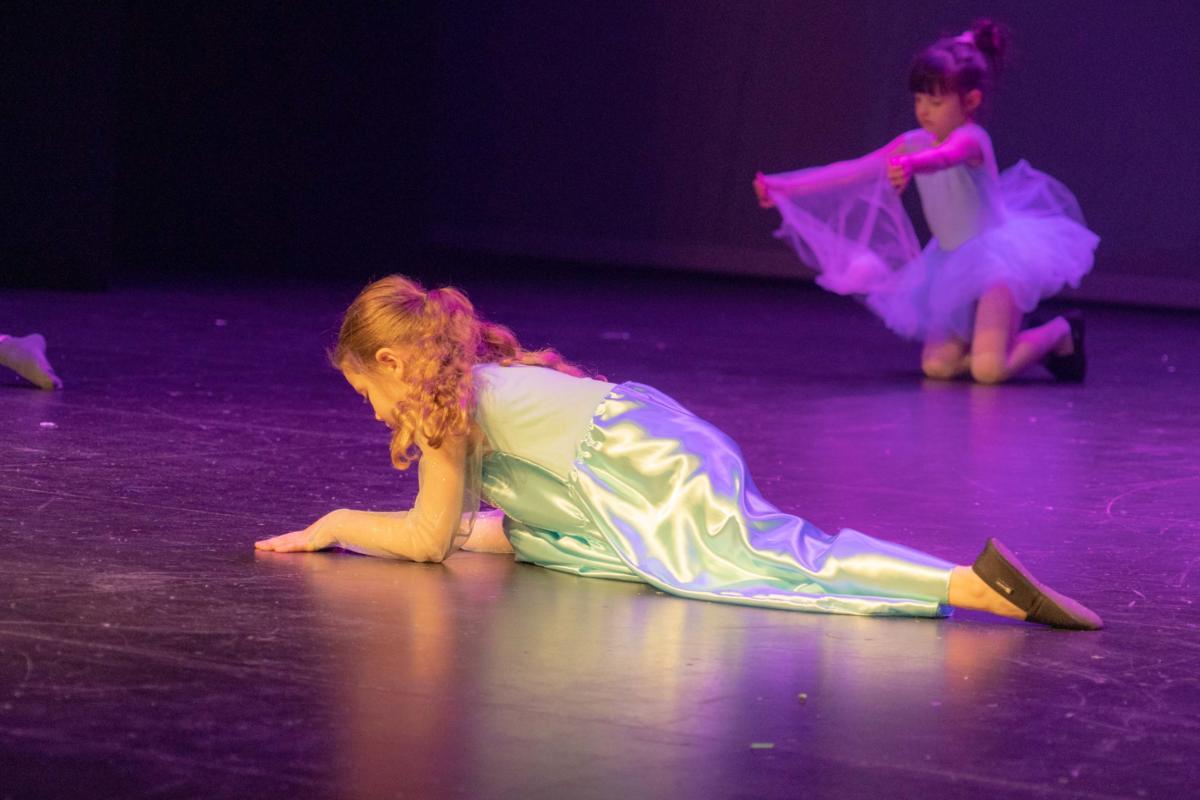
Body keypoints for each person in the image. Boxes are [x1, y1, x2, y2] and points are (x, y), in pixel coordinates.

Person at [254, 275, 1101, 630]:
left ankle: (966, 584)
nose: (373, 411)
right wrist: (478, 533)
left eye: (366, 390)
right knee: (535, 537)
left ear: (393, 362)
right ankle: (961, 585)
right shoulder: (474, 383)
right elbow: (494, 522)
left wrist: (336, 523)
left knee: (765, 558)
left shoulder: (448, 411)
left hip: (651, 467)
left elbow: (427, 538)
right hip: (642, 450)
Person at [753, 20, 1098, 384]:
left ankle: (1061, 331)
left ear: (970, 102)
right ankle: (994, 339)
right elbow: (852, 172)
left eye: (935, 101)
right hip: (951, 263)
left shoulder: (971, 139)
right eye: (919, 100)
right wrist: (783, 187)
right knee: (938, 368)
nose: (924, 110)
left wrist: (912, 164)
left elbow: (945, 157)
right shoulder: (913, 142)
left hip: (998, 262)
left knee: (989, 371)